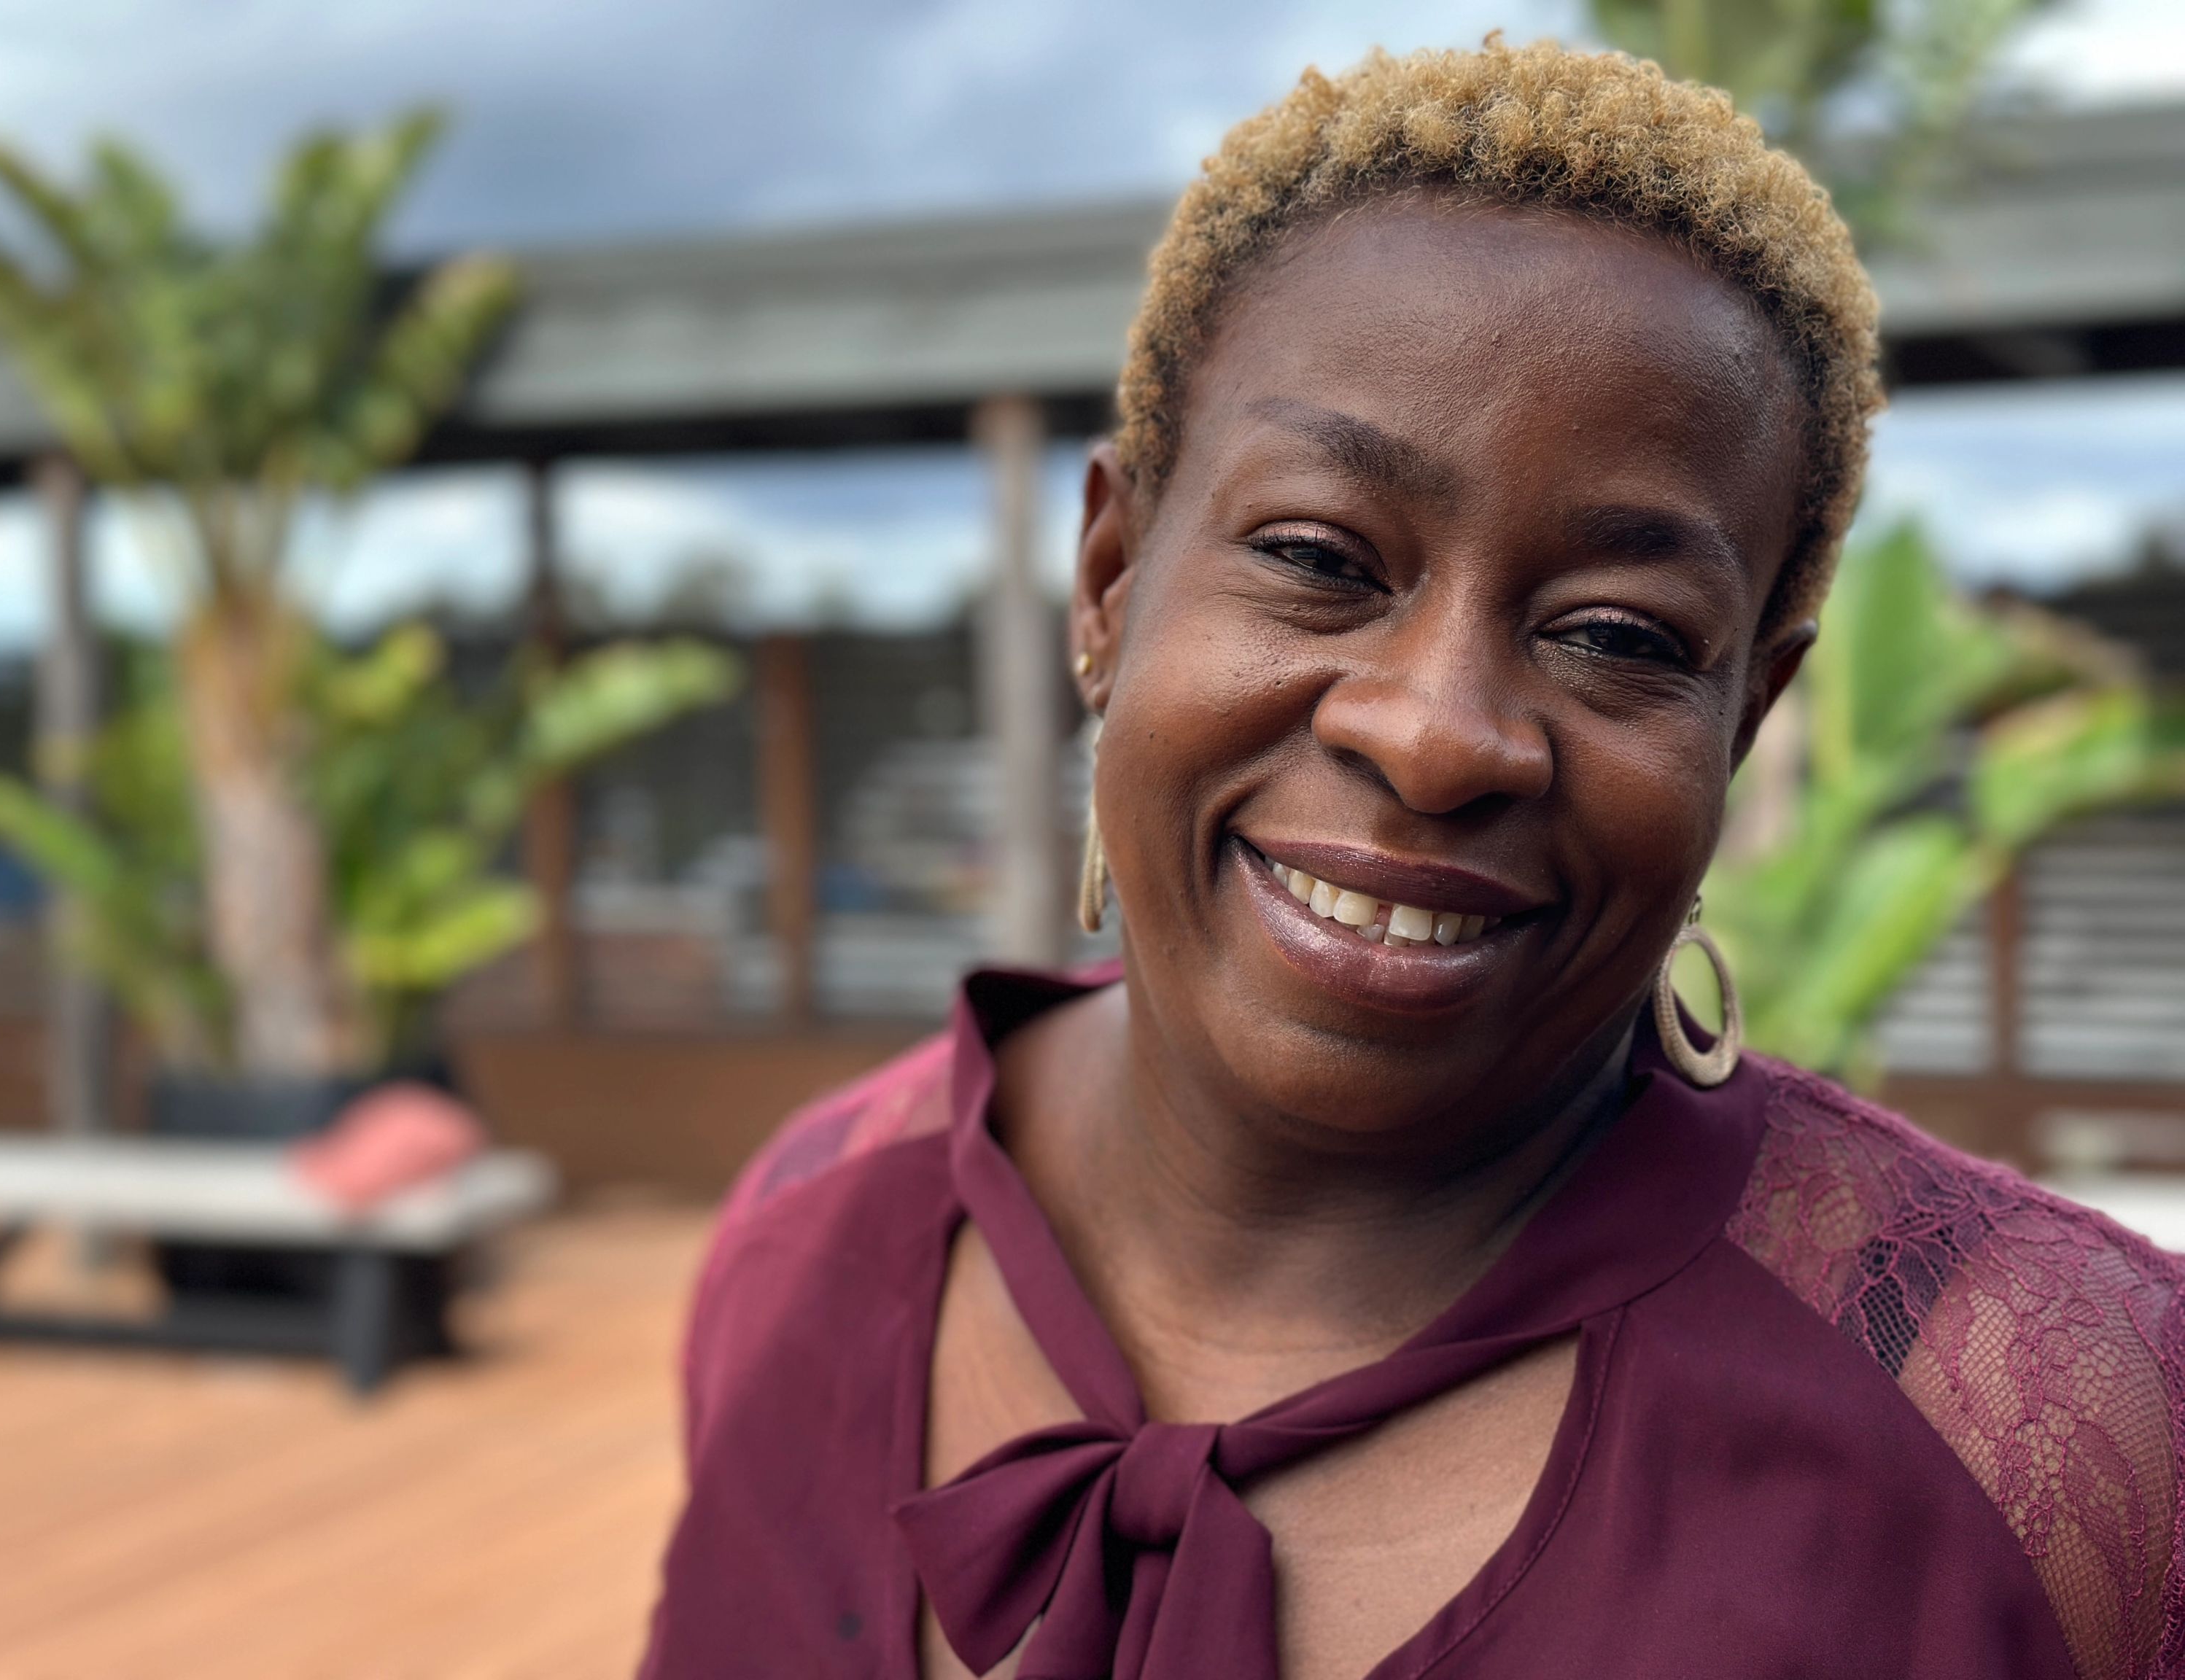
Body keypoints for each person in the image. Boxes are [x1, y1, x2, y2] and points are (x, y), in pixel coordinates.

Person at [640, 39, 2185, 1680]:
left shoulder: (2073, 1445)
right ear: (1109, 579)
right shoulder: (810, 1238)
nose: (1440, 737)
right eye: (1319, 557)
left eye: (1619, 636)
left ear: (1744, 719)